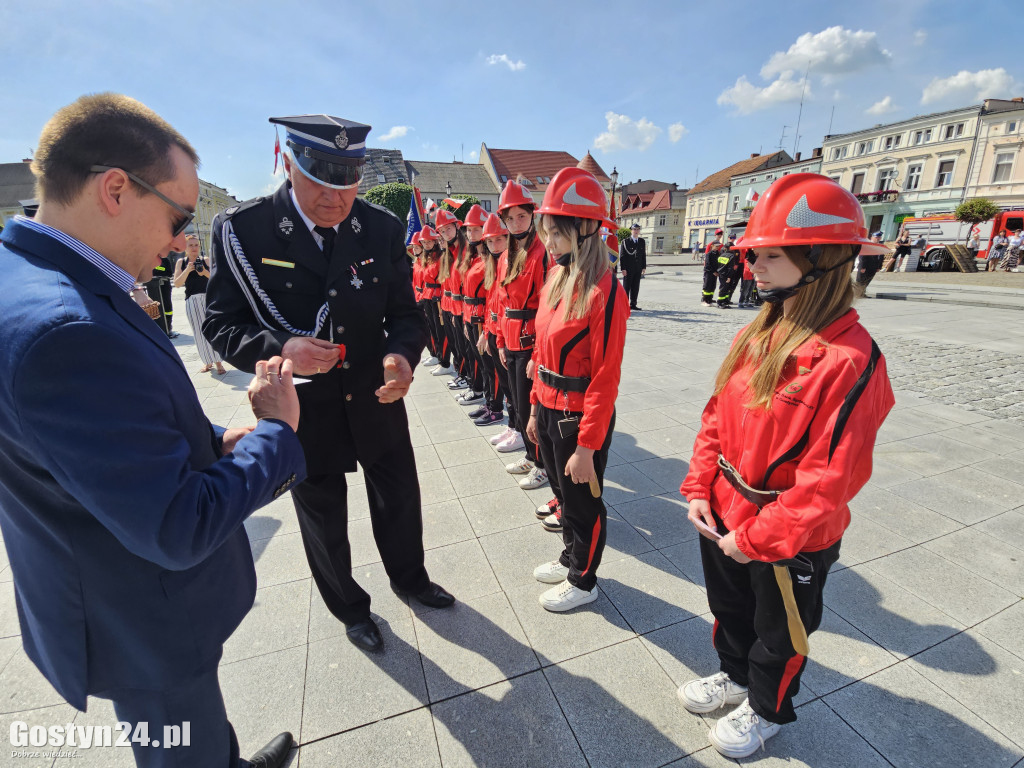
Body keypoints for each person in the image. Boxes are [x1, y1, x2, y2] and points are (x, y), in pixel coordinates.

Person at [0, 93, 304, 768]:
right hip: (142, 618)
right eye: (176, 216)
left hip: (113, 593)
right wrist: (273, 434)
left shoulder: (35, 275)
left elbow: (120, 437)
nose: (178, 239)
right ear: (115, 189)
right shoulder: (66, 329)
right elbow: (176, 524)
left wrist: (218, 440)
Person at [203, 114, 454, 655]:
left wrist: (401, 356)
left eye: (348, 181)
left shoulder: (380, 229)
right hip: (304, 408)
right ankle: (350, 608)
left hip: (375, 397)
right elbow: (219, 324)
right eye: (320, 179)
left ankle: (410, 578)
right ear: (289, 164)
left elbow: (407, 317)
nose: (335, 198)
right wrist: (280, 348)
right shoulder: (245, 230)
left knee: (399, 498)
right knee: (322, 516)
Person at [678, 173, 894, 759]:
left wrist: (758, 538)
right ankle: (735, 675)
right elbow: (715, 416)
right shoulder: (759, 331)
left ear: (821, 259)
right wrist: (700, 485)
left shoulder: (852, 360)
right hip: (726, 510)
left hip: (786, 535)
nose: (754, 265)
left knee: (780, 632)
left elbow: (830, 481)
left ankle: (768, 708)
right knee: (730, 612)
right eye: (755, 253)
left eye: (771, 255)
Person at [527, 168, 629, 611]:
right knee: (561, 492)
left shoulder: (606, 290)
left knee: (584, 503)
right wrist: (533, 408)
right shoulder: (555, 279)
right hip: (548, 407)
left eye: (557, 234)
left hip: (578, 415)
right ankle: (570, 555)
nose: (549, 244)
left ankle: (583, 580)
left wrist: (587, 445)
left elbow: (606, 376)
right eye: (547, 233)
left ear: (586, 230)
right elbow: (542, 352)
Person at [494, 179, 549, 489]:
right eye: (510, 218)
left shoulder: (543, 254)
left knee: (532, 408)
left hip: (531, 341)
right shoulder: (504, 257)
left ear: (533, 216)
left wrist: (538, 355)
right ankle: (531, 455)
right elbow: (502, 303)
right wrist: (500, 341)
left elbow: (546, 309)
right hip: (511, 339)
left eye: (522, 216)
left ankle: (542, 464)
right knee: (516, 401)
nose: (516, 224)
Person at [173, 233, 226, 374]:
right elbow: (177, 283)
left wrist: (204, 272)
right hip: (192, 300)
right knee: (198, 331)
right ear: (186, 248)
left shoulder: (205, 259)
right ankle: (207, 362)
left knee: (213, 329)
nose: (194, 248)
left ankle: (219, 362)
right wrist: (187, 270)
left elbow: (216, 278)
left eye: (196, 245)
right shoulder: (181, 262)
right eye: (191, 245)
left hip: (208, 299)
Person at [458, 204, 491, 411]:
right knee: (476, 358)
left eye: (476, 229)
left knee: (488, 365)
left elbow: (491, 297)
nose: (471, 233)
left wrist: (486, 329)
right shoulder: (471, 258)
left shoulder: (489, 260)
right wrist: (464, 318)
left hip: (482, 318)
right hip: (470, 315)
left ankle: (493, 404)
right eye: (469, 229)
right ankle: (485, 397)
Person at [420, 226, 453, 375]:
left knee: (441, 331)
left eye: (429, 242)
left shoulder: (440, 257)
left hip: (437, 296)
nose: (427, 244)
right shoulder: (427, 257)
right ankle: (439, 358)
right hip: (428, 295)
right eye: (424, 242)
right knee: (433, 329)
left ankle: (445, 362)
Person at [145, 252, 177, 337]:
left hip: (165, 287)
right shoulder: (148, 260)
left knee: (167, 308)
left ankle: (168, 327)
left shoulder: (165, 260)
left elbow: (169, 273)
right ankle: (158, 328)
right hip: (153, 288)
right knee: (155, 308)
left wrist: (157, 272)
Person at [619, 222, 646, 310]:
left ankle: (633, 304)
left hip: (638, 268)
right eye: (634, 229)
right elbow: (622, 256)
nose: (636, 231)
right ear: (631, 231)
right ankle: (624, 304)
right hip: (628, 268)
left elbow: (643, 255)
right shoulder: (626, 241)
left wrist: (644, 267)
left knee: (635, 287)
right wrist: (623, 268)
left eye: (638, 229)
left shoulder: (642, 241)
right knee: (626, 287)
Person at [715, 234, 741, 308]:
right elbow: (730, 267)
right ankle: (720, 302)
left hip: (721, 273)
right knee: (724, 287)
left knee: (725, 287)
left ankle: (725, 301)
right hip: (727, 273)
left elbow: (719, 264)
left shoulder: (721, 255)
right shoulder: (731, 256)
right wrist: (729, 276)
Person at [702, 229, 724, 305]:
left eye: (718, 246)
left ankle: (710, 299)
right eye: (716, 246)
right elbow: (708, 263)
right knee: (707, 285)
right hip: (709, 271)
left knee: (712, 286)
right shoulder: (709, 253)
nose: (717, 247)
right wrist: (713, 271)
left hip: (715, 271)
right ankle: (705, 299)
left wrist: (717, 271)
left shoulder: (717, 253)